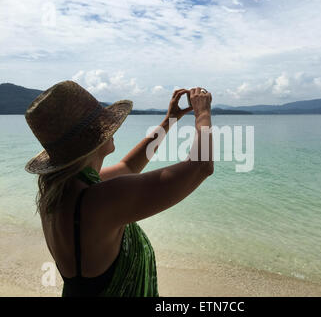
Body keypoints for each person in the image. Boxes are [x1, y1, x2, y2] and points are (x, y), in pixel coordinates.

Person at [24, 80, 213, 297]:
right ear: (91, 138)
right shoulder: (98, 201)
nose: (112, 126)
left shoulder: (63, 191)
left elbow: (129, 167)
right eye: (103, 123)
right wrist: (203, 113)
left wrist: (169, 121)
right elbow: (201, 166)